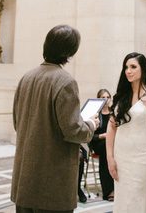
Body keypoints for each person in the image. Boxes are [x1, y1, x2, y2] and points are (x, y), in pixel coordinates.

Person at [11, 25, 98, 213]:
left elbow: (18, 122)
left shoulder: (26, 77)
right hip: (51, 182)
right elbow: (73, 131)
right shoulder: (65, 81)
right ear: (70, 52)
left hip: (25, 179)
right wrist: (91, 124)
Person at [106, 52, 146, 212]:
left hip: (142, 157)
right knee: (123, 199)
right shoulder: (121, 96)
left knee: (136, 197)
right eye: (126, 67)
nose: (128, 71)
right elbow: (111, 127)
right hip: (121, 156)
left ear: (143, 69)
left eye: (133, 67)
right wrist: (110, 157)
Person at [88, 89, 115, 201]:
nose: (106, 100)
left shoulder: (113, 113)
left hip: (112, 143)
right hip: (98, 144)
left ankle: (119, 187)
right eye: (103, 98)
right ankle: (108, 190)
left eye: (107, 97)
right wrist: (102, 136)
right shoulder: (95, 114)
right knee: (106, 148)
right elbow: (89, 135)